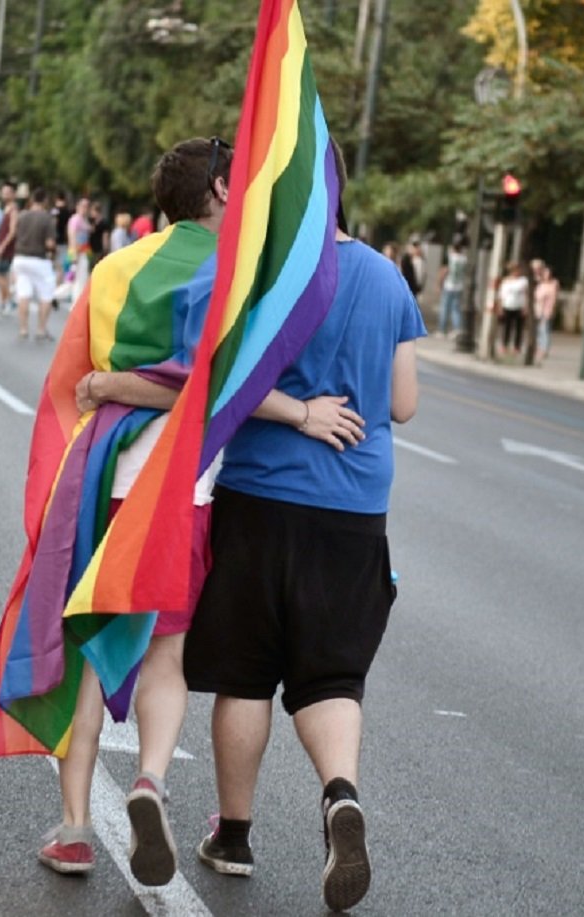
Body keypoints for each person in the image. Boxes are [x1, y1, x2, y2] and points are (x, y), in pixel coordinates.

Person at [27, 138, 363, 886]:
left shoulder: (115, 267)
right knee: (166, 655)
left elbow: (80, 382)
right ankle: (148, 779)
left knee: (88, 648)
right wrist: (304, 414)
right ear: (219, 186)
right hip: (182, 494)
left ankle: (77, 828)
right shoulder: (234, 277)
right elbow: (207, 387)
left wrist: (111, 384)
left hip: (103, 483)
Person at [184, 138, 425, 914]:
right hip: (354, 508)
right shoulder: (388, 277)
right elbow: (404, 403)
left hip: (261, 495)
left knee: (247, 671)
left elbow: (221, 378)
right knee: (330, 675)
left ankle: (235, 835)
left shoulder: (265, 271)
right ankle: (340, 795)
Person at [11, 186, 57, 341]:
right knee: (46, 294)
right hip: (39, 259)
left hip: (20, 258)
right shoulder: (47, 218)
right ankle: (41, 329)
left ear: (31, 200)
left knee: (23, 294)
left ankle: (23, 328)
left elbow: (16, 233)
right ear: (45, 201)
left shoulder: (22, 215)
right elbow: (50, 243)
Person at [0, 182, 19, 313]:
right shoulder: (6, 208)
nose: (5, 195)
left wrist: (2, 246)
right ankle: (3, 302)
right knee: (2, 276)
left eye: (7, 192)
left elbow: (13, 231)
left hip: (6, 248)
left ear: (13, 194)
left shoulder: (13, 210)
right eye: (3, 192)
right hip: (1, 245)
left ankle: (10, 299)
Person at [437, 235, 467, 336]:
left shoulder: (450, 257)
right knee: (456, 309)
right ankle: (457, 328)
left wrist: (439, 283)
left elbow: (444, 270)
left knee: (445, 308)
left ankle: (442, 330)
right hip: (459, 286)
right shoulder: (464, 259)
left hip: (449, 285)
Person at [497, 261, 529, 355]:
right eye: (513, 270)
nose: (516, 272)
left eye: (517, 270)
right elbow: (502, 295)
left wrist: (525, 307)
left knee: (519, 328)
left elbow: (526, 295)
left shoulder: (523, 281)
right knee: (507, 327)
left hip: (519, 306)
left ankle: (517, 347)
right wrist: (500, 307)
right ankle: (504, 345)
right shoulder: (506, 281)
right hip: (508, 306)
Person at [531, 259, 559, 360]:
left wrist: (550, 311)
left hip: (546, 310)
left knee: (545, 330)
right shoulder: (541, 284)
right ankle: (538, 348)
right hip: (538, 309)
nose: (545, 274)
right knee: (539, 330)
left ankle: (544, 349)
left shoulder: (554, 284)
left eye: (547, 273)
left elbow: (553, 299)